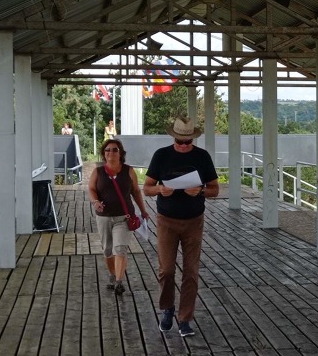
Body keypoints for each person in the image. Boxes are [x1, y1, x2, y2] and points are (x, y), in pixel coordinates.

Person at [143, 116, 219, 338]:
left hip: (194, 220)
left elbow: (215, 189)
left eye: (187, 142)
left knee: (191, 272)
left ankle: (185, 318)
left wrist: (201, 191)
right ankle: (167, 309)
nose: (183, 145)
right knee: (166, 270)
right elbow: (146, 187)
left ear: (193, 139)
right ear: (173, 137)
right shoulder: (161, 155)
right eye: (179, 141)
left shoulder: (202, 157)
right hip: (166, 220)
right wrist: (160, 190)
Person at [87, 139, 149, 296]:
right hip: (104, 217)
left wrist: (143, 210)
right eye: (107, 150)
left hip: (124, 216)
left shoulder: (128, 171)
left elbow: (136, 191)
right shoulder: (98, 172)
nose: (111, 153)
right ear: (103, 154)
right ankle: (113, 276)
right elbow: (92, 189)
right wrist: (95, 202)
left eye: (115, 150)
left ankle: (119, 282)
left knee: (120, 248)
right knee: (108, 250)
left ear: (120, 153)